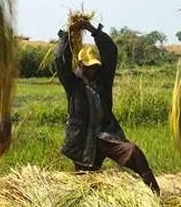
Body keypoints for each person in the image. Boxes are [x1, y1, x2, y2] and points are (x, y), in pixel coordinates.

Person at [55, 19, 160, 193]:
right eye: (89, 67)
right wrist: (66, 36)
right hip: (82, 138)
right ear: (80, 64)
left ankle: (155, 193)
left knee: (133, 152)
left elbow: (111, 51)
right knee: (85, 183)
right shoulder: (72, 82)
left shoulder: (103, 78)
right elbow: (60, 59)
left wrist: (93, 30)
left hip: (106, 133)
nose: (93, 70)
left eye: (95, 66)